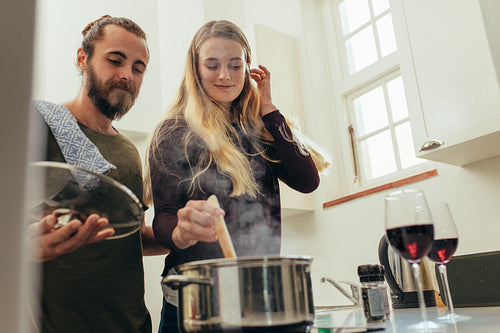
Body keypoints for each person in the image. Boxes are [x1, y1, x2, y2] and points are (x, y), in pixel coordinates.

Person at [146, 20, 329, 332]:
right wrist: (181, 232)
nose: (224, 76)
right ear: (196, 68)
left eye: (235, 65)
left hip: (258, 296)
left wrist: (269, 108)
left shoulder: (260, 128)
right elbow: (164, 218)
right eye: (212, 65)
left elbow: (307, 180)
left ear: (248, 67)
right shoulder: (174, 131)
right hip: (193, 301)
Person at [31, 15, 168, 333]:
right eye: (115, 60)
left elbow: (132, 237)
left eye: (138, 67)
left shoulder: (131, 153)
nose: (127, 75)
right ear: (83, 58)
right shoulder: (39, 126)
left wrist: (181, 234)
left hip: (132, 325)